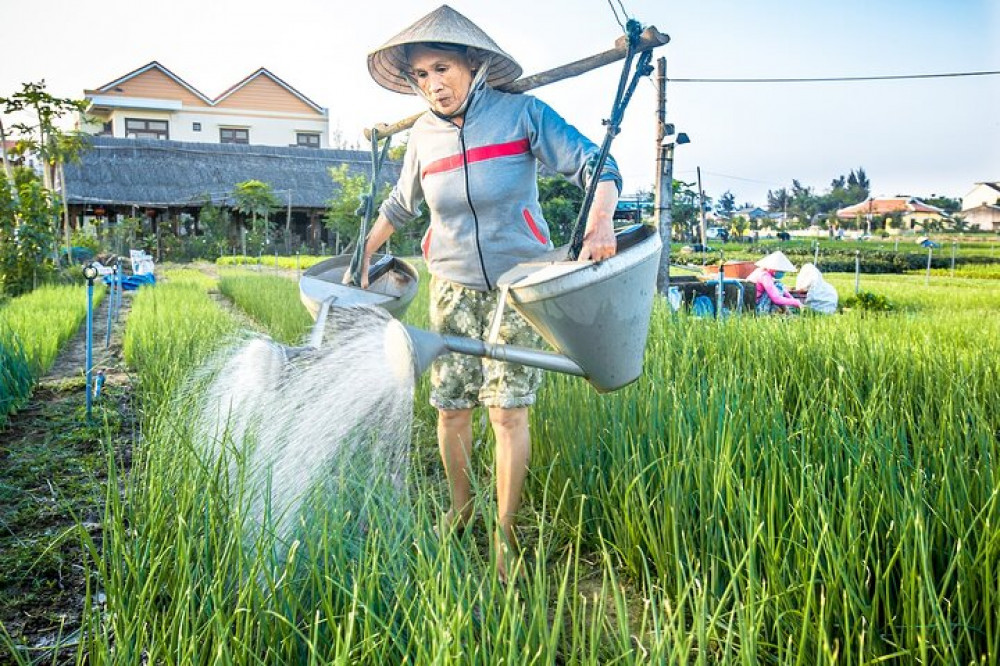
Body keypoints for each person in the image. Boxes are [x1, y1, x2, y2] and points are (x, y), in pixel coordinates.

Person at [354, 5, 621, 582]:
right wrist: (363, 257)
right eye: (420, 75)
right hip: (450, 288)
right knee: (450, 414)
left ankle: (504, 532)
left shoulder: (523, 113)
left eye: (442, 67)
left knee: (506, 414)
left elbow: (597, 166)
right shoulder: (422, 135)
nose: (432, 84)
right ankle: (461, 505)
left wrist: (601, 219)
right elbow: (401, 207)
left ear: (473, 65)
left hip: (518, 285)